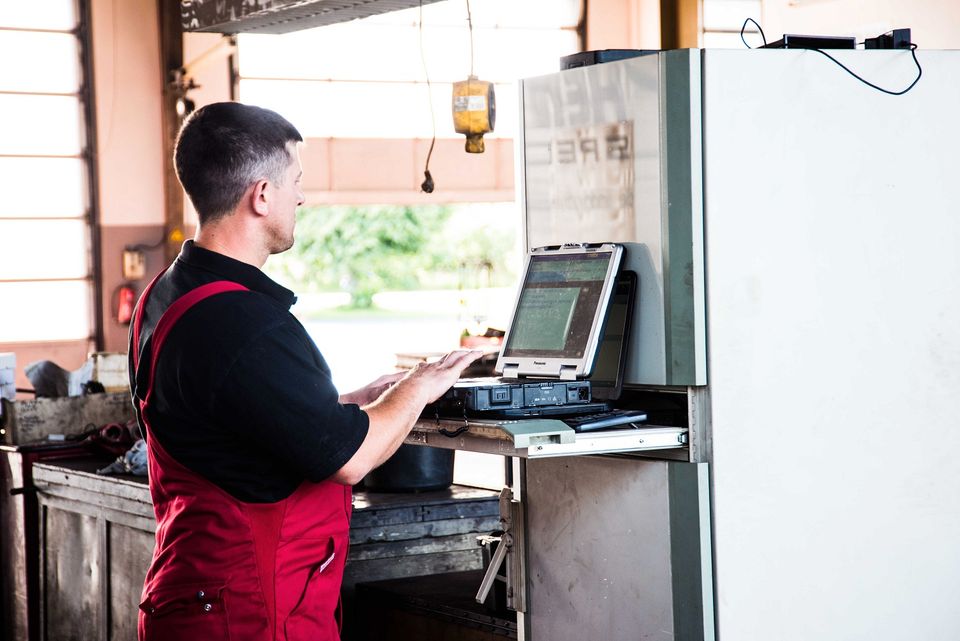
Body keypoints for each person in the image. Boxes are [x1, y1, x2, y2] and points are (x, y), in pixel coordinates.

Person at [128, 101, 480, 641]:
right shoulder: (241, 321)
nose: (302, 196)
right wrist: (418, 386)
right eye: (295, 181)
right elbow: (351, 460)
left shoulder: (169, 291)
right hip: (248, 612)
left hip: (193, 594)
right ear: (261, 195)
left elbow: (230, 416)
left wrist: (343, 406)